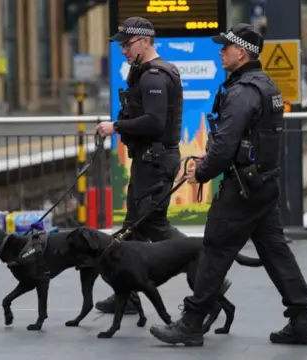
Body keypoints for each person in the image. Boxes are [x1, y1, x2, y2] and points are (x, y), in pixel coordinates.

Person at [148, 24, 307, 347]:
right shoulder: (266, 86)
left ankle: (192, 321)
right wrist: (211, 157)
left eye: (225, 47)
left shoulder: (241, 92)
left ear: (241, 52)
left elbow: (226, 147)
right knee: (276, 252)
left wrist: (200, 172)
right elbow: (244, 141)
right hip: (264, 185)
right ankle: (302, 320)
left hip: (242, 190)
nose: (220, 51)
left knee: (214, 249)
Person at [95, 16, 186, 314]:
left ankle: (204, 263)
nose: (123, 50)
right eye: (121, 44)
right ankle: (129, 296)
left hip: (155, 161)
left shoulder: (153, 77)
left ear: (145, 41)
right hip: (150, 160)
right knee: (132, 229)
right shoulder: (151, 73)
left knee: (152, 224)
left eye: (127, 43)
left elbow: (154, 121)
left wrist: (116, 126)